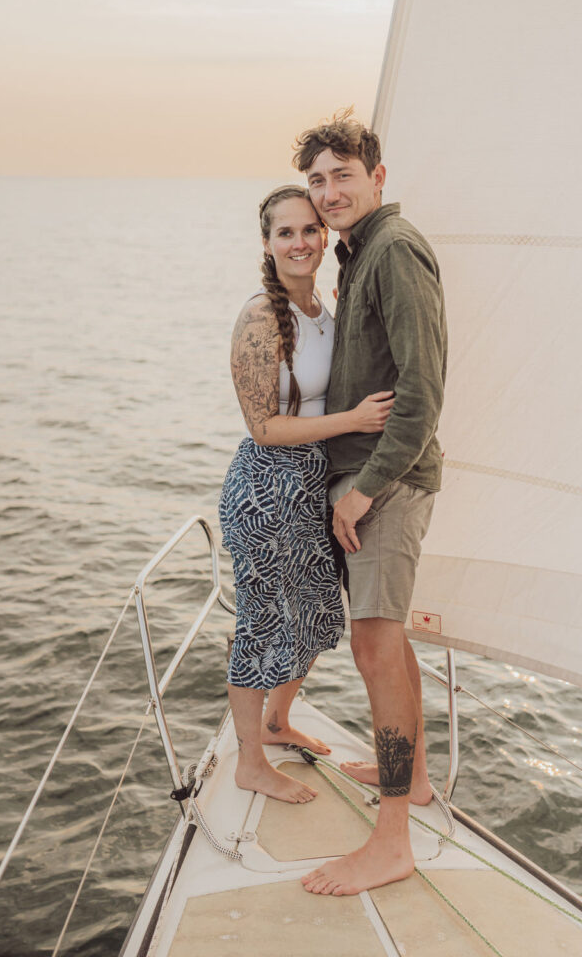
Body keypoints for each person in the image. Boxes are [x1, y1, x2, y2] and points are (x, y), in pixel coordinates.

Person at [293, 112, 447, 891]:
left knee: (372, 649)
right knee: (388, 646)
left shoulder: (392, 249)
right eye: (316, 180)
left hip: (385, 483)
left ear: (376, 178)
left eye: (341, 175)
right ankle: (413, 781)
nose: (327, 192)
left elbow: (423, 395)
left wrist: (361, 491)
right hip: (371, 479)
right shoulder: (358, 255)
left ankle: (391, 840)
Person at [219, 184, 395, 804]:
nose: (299, 243)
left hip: (315, 485)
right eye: (285, 233)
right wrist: (351, 421)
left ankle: (276, 721)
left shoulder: (324, 309)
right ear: (267, 244)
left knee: (319, 615)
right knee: (262, 624)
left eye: (309, 231)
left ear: (325, 238)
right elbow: (262, 426)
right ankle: (249, 762)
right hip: (266, 490)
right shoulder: (261, 317)